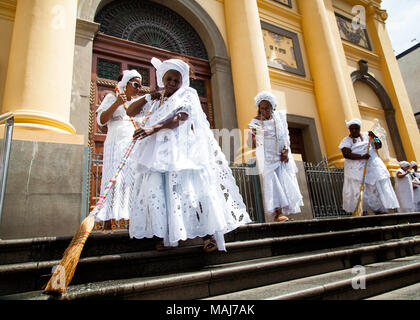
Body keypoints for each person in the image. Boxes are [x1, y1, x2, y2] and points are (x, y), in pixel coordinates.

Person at [126, 57, 251, 252]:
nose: (173, 84)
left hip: (180, 154)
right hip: (156, 156)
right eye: (169, 79)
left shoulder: (187, 95)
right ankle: (169, 238)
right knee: (160, 194)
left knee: (188, 193)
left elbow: (182, 117)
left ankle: (207, 237)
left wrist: (153, 128)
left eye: (176, 80)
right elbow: (130, 112)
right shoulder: (158, 100)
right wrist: (149, 96)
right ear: (162, 80)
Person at [95, 69, 143, 232]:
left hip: (132, 145)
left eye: (140, 85)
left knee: (131, 180)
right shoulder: (111, 97)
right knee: (112, 179)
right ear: (126, 84)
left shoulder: (137, 103)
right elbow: (101, 121)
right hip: (115, 144)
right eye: (136, 84)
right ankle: (107, 223)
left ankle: (131, 222)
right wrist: (116, 103)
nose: (139, 88)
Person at [247, 91, 303, 222]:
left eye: (267, 107)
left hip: (280, 155)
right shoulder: (255, 121)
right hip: (267, 157)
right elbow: (251, 143)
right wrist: (258, 132)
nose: (265, 110)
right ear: (259, 108)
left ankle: (282, 212)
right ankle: (277, 213)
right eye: (262, 108)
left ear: (272, 107)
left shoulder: (279, 118)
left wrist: (286, 151)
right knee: (272, 184)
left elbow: (286, 138)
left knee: (283, 181)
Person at [339, 118, 399, 215]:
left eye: (356, 128)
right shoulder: (346, 141)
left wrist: (374, 137)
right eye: (352, 129)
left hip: (372, 167)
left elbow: (379, 145)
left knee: (375, 188)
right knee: (358, 190)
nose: (354, 130)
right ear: (349, 129)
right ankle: (362, 210)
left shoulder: (368, 136)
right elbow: (346, 154)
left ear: (359, 128)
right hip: (356, 169)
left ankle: (379, 209)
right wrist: (361, 157)